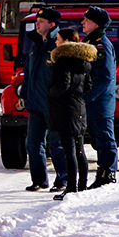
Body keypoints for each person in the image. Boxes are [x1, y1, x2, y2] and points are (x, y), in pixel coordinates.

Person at [16, 7, 63, 192]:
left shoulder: (58, 45)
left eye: (41, 21)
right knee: (33, 144)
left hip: (52, 104)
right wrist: (24, 94)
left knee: (58, 144)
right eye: (37, 20)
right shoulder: (35, 45)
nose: (37, 23)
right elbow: (28, 74)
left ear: (51, 25)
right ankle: (39, 180)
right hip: (35, 103)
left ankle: (63, 179)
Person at [46, 28, 96, 198]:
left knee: (69, 150)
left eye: (58, 39)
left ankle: (72, 188)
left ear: (66, 41)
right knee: (79, 148)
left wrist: (51, 93)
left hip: (64, 108)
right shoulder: (85, 61)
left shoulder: (62, 61)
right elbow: (89, 86)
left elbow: (64, 83)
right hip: (79, 106)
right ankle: (82, 185)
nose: (56, 42)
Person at [81, 7, 119, 188]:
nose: (82, 23)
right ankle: (102, 172)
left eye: (86, 20)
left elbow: (104, 77)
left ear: (95, 24)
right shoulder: (90, 42)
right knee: (97, 138)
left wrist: (87, 97)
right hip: (93, 101)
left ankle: (107, 173)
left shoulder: (101, 44)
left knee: (105, 138)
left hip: (100, 101)